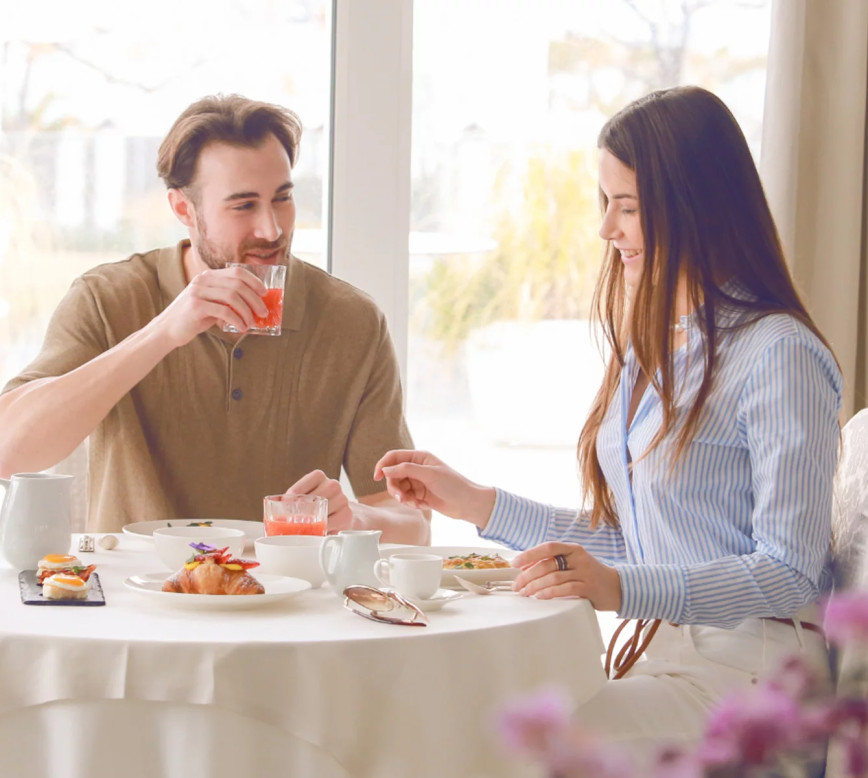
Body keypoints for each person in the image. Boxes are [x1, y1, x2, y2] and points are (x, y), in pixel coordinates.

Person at [374, 85, 842, 755]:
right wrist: (475, 502)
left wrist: (621, 588)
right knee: (459, 716)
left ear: (695, 208)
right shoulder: (663, 349)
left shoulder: (780, 355)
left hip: (757, 684)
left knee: (489, 743)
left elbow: (789, 571)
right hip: (673, 659)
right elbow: (643, 543)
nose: (606, 230)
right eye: (606, 205)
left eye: (627, 208)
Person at [0, 94, 428, 544]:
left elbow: (414, 527)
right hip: (131, 605)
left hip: (287, 605)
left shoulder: (352, 322)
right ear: (184, 209)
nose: (271, 229)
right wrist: (163, 333)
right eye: (243, 206)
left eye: (282, 198)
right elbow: (9, 451)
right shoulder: (106, 299)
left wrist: (355, 519)